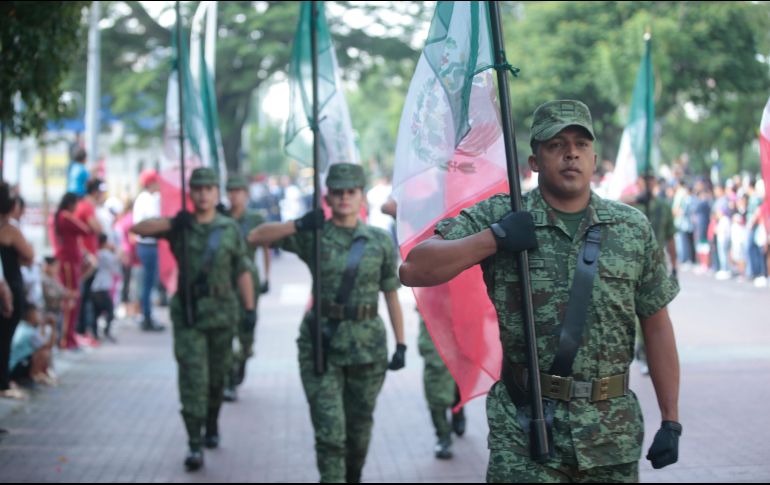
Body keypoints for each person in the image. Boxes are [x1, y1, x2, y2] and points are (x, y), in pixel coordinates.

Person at [400, 100, 682, 482]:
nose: (571, 154)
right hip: (525, 429)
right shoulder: (501, 215)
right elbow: (415, 268)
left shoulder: (631, 228)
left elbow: (657, 324)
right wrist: (495, 238)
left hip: (610, 432)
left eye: (581, 144)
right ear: (534, 162)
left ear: (595, 158)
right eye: (556, 145)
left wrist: (671, 420)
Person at [248, 163, 406, 483]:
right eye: (338, 192)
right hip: (322, 344)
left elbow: (390, 294)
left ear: (362, 196)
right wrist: (298, 224)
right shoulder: (314, 235)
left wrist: (401, 343)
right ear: (327, 197)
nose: (345, 198)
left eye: (351, 192)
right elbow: (255, 236)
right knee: (331, 435)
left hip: (367, 348)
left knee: (358, 432)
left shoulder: (379, 241)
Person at [131, 167, 255, 472]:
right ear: (191, 193)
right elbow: (140, 229)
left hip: (223, 313)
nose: (203, 194)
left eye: (208, 189)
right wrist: (173, 222)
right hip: (189, 314)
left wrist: (249, 311)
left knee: (216, 378)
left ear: (216, 193)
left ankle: (212, 423)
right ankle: (194, 443)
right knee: (192, 379)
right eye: (197, 189)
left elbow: (242, 270)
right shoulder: (181, 227)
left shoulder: (228, 229)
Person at [381, 197, 465, 459]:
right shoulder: (424, 206)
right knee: (436, 370)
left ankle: (457, 404)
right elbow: (388, 206)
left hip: (466, 310)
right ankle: (442, 433)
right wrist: (422, 204)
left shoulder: (468, 202)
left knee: (464, 367)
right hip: (434, 312)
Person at [221, 174, 271, 402]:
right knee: (227, 329)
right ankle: (229, 378)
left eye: (238, 191)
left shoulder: (255, 218)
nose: (234, 196)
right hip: (225, 279)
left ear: (246, 194)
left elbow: (265, 249)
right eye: (230, 191)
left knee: (247, 330)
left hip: (249, 278)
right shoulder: (221, 217)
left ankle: (242, 359)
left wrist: (267, 277)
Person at [622, 175, 678, 376]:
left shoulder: (663, 206)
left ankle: (648, 354)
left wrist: (675, 265)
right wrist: (636, 199)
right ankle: (642, 351)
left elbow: (670, 236)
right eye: (644, 180)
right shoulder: (632, 205)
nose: (648, 183)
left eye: (651, 179)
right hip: (630, 264)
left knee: (656, 314)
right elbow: (608, 203)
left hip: (656, 266)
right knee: (636, 316)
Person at [0, 182, 35, 399]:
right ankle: (3, 383)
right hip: (9, 287)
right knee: (4, 341)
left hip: (8, 285)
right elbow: (29, 255)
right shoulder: (9, 230)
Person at [52, 193, 91, 350]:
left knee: (73, 298)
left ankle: (69, 337)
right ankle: (66, 339)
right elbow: (85, 229)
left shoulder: (62, 216)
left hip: (71, 261)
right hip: (68, 262)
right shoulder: (65, 216)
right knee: (71, 298)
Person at [132, 169, 165, 332]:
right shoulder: (147, 199)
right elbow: (153, 222)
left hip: (147, 244)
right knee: (148, 284)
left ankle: (147, 315)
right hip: (148, 244)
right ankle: (147, 315)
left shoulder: (145, 198)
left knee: (148, 284)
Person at [74, 179, 106, 342]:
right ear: (95, 192)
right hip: (86, 259)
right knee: (83, 295)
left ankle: (81, 330)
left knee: (85, 295)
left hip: (88, 257)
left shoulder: (87, 206)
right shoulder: (86, 207)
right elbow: (98, 228)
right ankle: (80, 331)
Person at [9, 302, 57, 387]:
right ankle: (35, 375)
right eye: (37, 313)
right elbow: (48, 345)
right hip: (16, 368)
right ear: (30, 315)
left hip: (11, 367)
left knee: (40, 350)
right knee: (44, 352)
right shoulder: (30, 332)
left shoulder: (21, 325)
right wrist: (52, 326)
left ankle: (37, 373)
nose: (39, 316)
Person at [91, 234, 121, 342]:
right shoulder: (106, 255)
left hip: (96, 286)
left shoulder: (96, 253)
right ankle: (105, 331)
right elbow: (115, 267)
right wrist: (115, 250)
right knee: (109, 310)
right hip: (102, 286)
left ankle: (96, 333)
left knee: (97, 312)